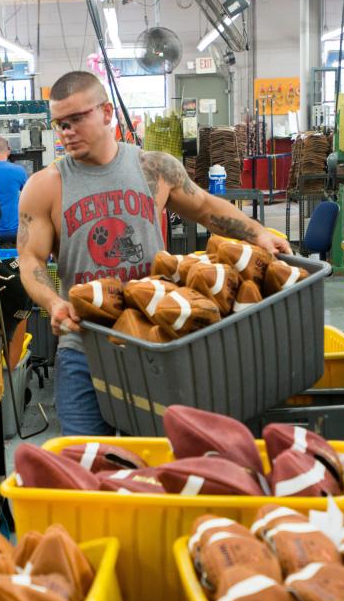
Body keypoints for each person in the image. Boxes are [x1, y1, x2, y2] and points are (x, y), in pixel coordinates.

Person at [17, 70, 289, 435]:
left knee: (156, 461)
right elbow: (31, 260)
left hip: (154, 341)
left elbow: (207, 207)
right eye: (60, 123)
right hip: (83, 346)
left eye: (77, 119)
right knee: (87, 461)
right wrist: (53, 303)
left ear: (107, 113)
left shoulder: (154, 168)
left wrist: (258, 232)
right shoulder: (45, 186)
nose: (66, 131)